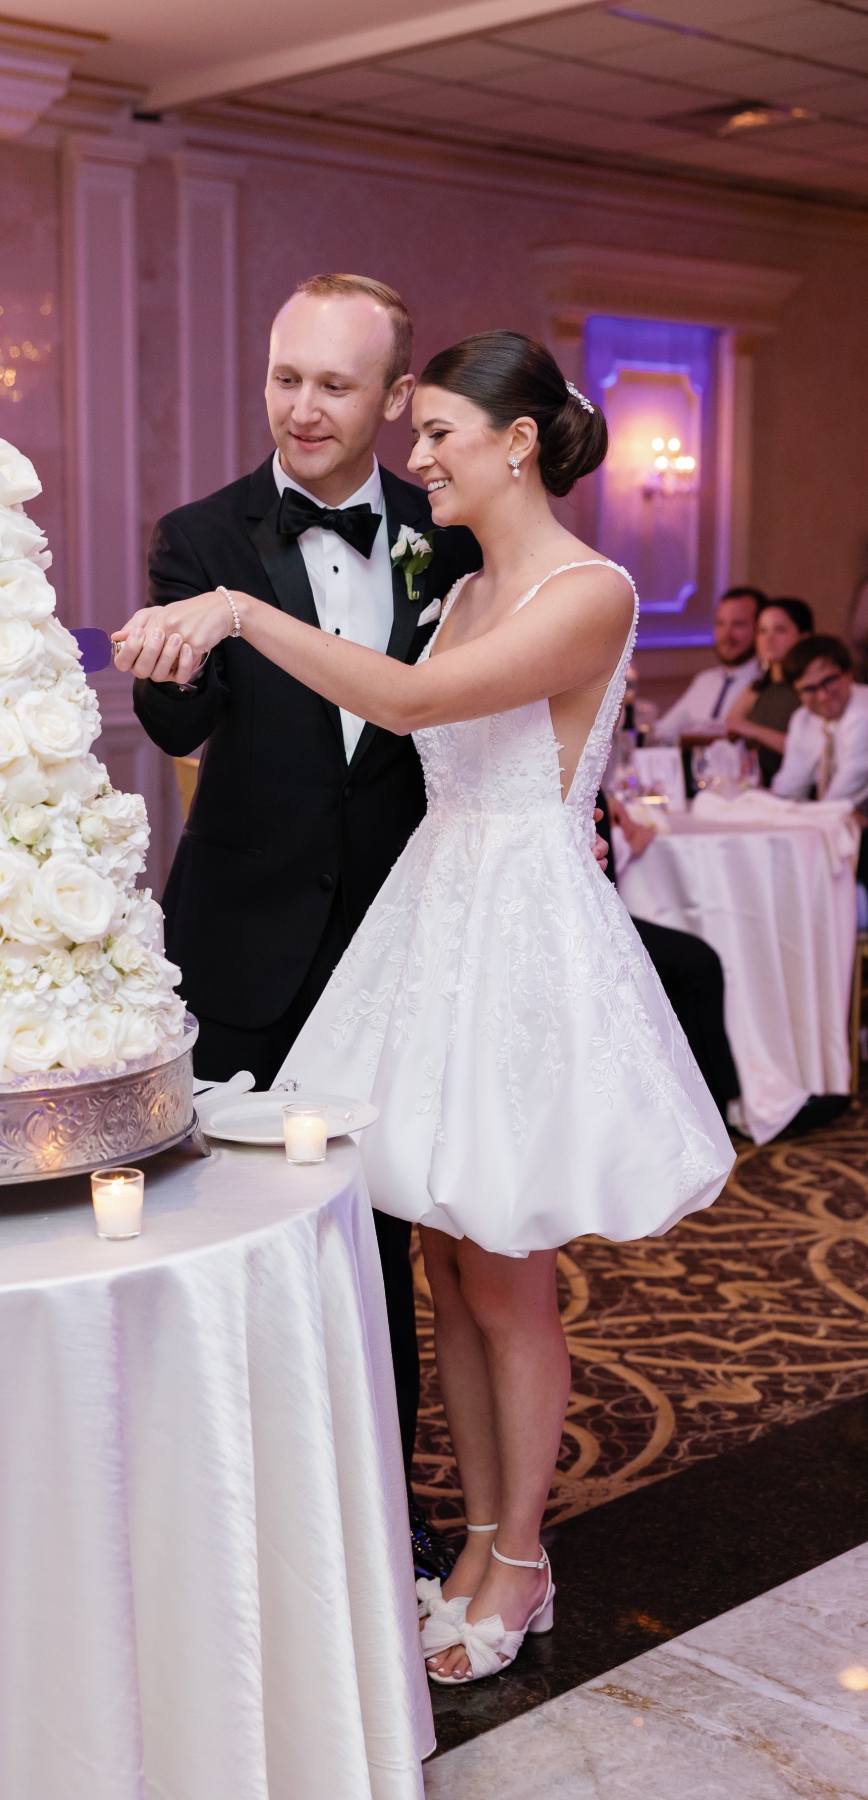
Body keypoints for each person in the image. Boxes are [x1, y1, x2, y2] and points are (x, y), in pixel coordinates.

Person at [114, 329, 734, 1687]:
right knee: (445, 1265)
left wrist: (238, 608)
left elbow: (403, 703)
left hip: (515, 939)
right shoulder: (459, 587)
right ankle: (475, 1536)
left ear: (515, 442)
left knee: (510, 1274)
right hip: (432, 922)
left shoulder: (591, 589)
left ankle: (523, 1558)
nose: (418, 455)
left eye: (440, 430)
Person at [130, 273, 483, 1529]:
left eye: (336, 384)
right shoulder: (204, 532)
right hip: (236, 939)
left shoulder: (453, 532)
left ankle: (381, 1518)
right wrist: (166, 665)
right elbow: (184, 720)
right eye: (286, 377)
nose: (303, 407)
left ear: (395, 397)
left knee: (377, 1242)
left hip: (394, 941)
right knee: (208, 1227)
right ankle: (211, 1513)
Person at [600, 794, 740, 1118]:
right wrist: (625, 842)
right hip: (588, 918)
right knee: (700, 964)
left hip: (602, 909)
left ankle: (709, 1100)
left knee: (696, 961)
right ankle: (716, 1104)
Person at [653, 586, 766, 742]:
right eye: (721, 624)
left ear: (760, 629)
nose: (726, 635)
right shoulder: (705, 681)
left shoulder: (766, 683)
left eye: (738, 624)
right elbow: (663, 733)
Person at [772, 633, 868, 807]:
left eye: (829, 680)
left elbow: (840, 798)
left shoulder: (863, 713)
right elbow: (789, 787)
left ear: (849, 673)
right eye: (809, 688)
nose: (823, 696)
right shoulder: (803, 719)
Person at [726, 598, 813, 784]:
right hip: (759, 790)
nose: (768, 639)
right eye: (762, 631)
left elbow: (808, 749)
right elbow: (731, 725)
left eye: (779, 630)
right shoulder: (758, 686)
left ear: (804, 637)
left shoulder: (810, 688)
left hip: (800, 793)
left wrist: (753, 730)